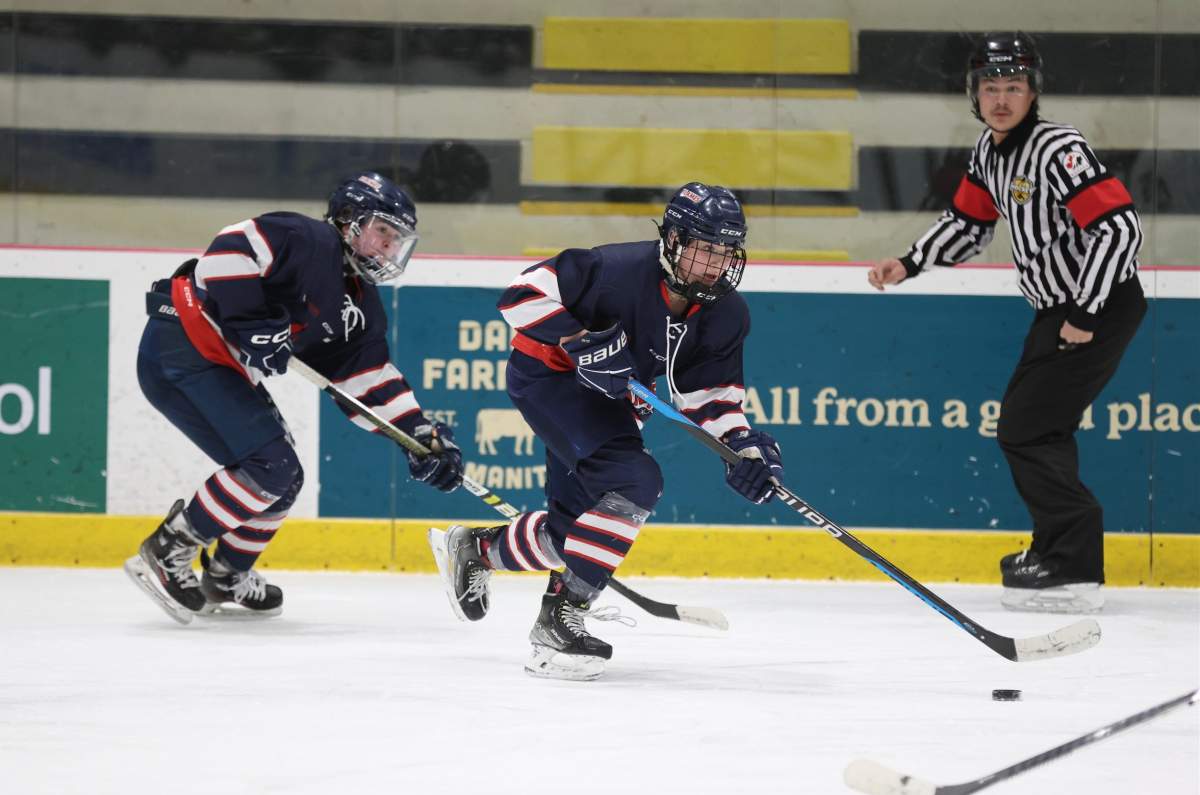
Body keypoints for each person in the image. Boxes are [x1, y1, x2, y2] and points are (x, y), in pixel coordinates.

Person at [428, 182, 784, 680]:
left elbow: (711, 399)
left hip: (613, 400)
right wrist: (579, 339)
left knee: (574, 533)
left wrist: (743, 449)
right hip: (550, 380)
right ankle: (561, 617)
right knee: (635, 480)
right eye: (705, 248)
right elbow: (520, 296)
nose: (715, 264)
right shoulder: (616, 269)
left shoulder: (725, 314)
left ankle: (478, 550)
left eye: (725, 252)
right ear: (674, 240)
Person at [867, 33, 1146, 613]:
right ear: (974, 94)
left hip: (1096, 307)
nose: (1000, 99)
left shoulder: (1057, 148)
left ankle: (1071, 569)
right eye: (990, 87)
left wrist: (1085, 313)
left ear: (1033, 92)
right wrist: (910, 262)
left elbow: (1119, 229)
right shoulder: (989, 152)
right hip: (1060, 309)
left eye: (1013, 87)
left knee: (1028, 429)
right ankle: (1058, 555)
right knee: (1033, 428)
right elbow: (968, 223)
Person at [125, 172, 464, 624]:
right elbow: (228, 250)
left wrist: (418, 435)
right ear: (348, 219)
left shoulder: (359, 305)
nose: (388, 246)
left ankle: (225, 575)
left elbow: (367, 379)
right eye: (382, 231)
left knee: (283, 478)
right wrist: (250, 320)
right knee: (270, 467)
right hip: (180, 347)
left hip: (216, 365)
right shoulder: (306, 239)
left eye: (396, 239)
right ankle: (168, 549)